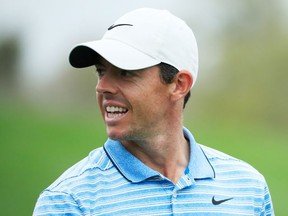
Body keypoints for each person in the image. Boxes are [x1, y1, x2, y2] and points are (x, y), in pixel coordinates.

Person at [33, 8, 274, 215]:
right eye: (101, 71)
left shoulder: (248, 188)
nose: (102, 87)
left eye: (126, 73)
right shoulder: (68, 201)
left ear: (179, 84)